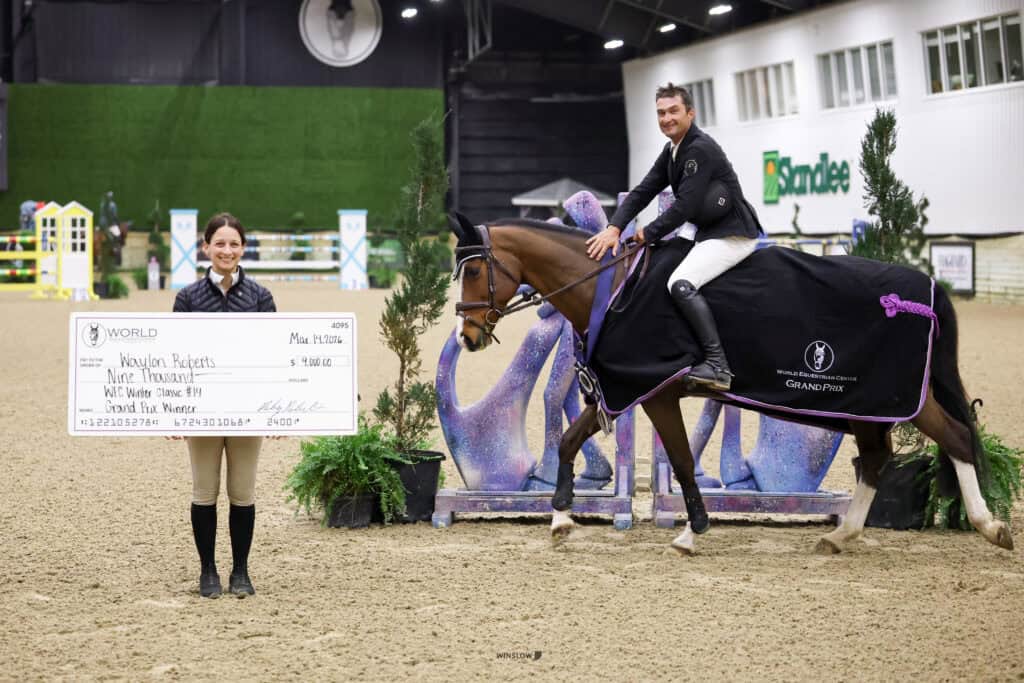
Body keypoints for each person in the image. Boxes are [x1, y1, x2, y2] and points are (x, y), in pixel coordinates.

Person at [586, 82, 763, 391]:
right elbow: (643, 190)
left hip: (731, 234)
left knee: (680, 283)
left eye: (673, 111)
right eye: (661, 113)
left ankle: (718, 365)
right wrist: (614, 227)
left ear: (690, 113)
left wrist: (646, 233)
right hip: (704, 231)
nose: (666, 118)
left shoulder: (698, 149)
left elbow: (685, 207)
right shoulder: (672, 150)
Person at [172, 212, 276, 598]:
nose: (226, 250)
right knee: (204, 491)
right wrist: (172, 413)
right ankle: (208, 570)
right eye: (219, 243)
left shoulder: (261, 297)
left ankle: (241, 571)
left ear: (243, 249)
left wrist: (278, 412)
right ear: (206, 248)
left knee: (242, 492)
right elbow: (173, 358)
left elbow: (276, 356)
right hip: (202, 410)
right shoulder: (188, 298)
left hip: (248, 410)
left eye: (234, 244)